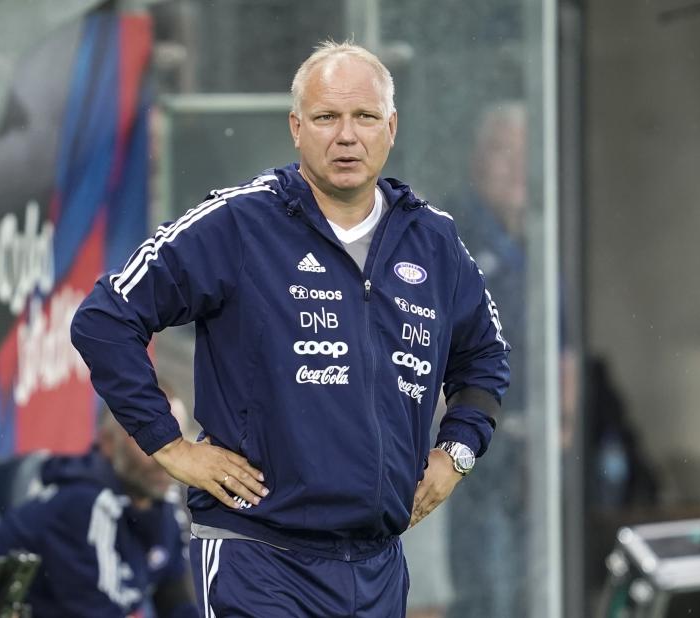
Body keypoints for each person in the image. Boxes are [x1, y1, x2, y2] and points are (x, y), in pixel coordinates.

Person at [71, 40, 510, 617]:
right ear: (296, 128)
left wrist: (455, 454)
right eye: (326, 117)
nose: (346, 136)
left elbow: (485, 356)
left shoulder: (434, 241)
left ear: (392, 128)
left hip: (376, 565)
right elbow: (105, 317)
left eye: (365, 117)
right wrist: (168, 445)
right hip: (259, 557)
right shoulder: (238, 223)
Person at [0, 409, 197, 618]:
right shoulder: (81, 505)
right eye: (151, 441)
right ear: (108, 443)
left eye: (175, 442)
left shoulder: (162, 501)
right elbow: (95, 612)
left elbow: (173, 597)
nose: (165, 460)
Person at [445, 101, 529, 618]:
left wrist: (557, 430)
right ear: (477, 161)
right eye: (504, 152)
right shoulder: (451, 235)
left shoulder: (539, 237)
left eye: (526, 153)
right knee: (483, 591)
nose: (518, 166)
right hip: (472, 447)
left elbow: (562, 344)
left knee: (526, 589)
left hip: (531, 452)